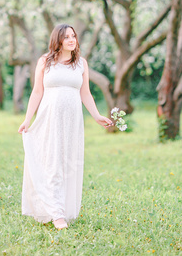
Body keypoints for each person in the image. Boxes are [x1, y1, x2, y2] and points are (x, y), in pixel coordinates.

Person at [18, 23, 114, 230]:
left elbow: (85, 93)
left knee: (68, 163)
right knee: (52, 162)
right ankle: (56, 214)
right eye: (67, 37)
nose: (72, 40)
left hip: (73, 121)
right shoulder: (45, 61)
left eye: (74, 36)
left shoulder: (81, 64)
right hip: (49, 118)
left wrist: (96, 115)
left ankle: (63, 208)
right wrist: (27, 119)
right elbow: (37, 92)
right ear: (58, 40)